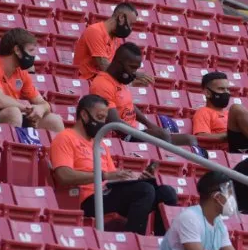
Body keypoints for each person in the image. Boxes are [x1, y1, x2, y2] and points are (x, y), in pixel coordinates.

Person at [49, 94, 178, 235]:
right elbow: (63, 176)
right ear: (84, 115)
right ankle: (134, 241)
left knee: (167, 193)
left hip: (108, 193)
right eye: (99, 117)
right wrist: (103, 175)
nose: (103, 123)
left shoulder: (100, 143)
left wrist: (136, 178)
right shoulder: (65, 138)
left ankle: (161, 242)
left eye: (104, 119)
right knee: (144, 191)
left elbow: (112, 177)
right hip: (87, 198)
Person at [90, 42, 196, 146]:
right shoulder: (102, 84)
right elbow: (114, 123)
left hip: (134, 131)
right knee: (163, 136)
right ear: (118, 63)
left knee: (190, 139)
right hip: (121, 137)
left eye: (136, 69)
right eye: (132, 67)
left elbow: (129, 106)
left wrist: (149, 125)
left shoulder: (119, 81)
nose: (134, 73)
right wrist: (143, 133)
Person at [73, 2, 150, 85]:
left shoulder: (116, 39)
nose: (131, 29)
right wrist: (134, 75)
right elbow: (105, 66)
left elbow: (117, 68)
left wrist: (134, 82)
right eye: (130, 24)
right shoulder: (95, 31)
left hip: (104, 83)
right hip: (86, 83)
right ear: (121, 17)